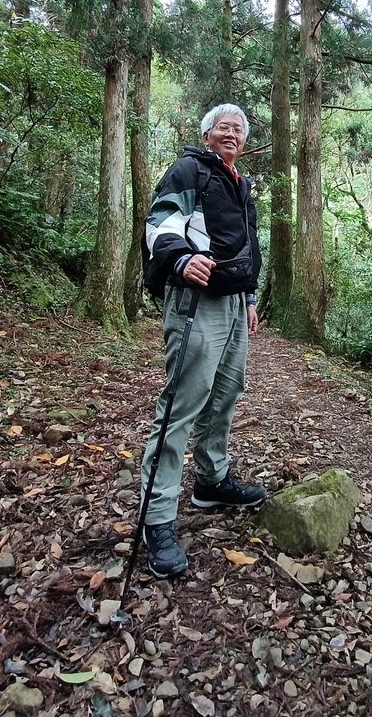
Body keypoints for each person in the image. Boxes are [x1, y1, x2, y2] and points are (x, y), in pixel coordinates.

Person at [139, 104, 266, 577]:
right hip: (195, 297)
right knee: (181, 404)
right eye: (223, 127)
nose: (231, 133)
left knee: (226, 392)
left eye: (239, 129)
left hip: (234, 302)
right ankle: (157, 517)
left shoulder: (241, 183)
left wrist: (250, 296)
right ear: (208, 133)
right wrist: (179, 260)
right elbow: (162, 223)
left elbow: (248, 245)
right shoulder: (190, 169)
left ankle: (211, 481)